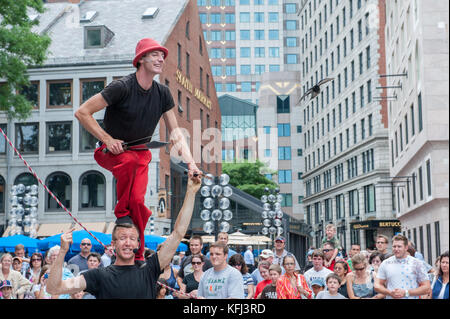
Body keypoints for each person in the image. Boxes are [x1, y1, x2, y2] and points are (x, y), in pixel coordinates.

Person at [75, 37, 202, 262]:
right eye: (155, 54)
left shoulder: (163, 93)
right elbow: (82, 112)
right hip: (109, 152)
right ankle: (122, 213)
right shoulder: (121, 87)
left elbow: (175, 133)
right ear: (141, 59)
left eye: (162, 55)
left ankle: (139, 253)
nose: (161, 58)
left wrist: (191, 163)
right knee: (130, 165)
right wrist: (107, 138)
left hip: (140, 154)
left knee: (139, 206)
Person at [46, 176, 201, 299]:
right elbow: (54, 288)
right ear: (113, 244)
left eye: (132, 238)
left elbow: (178, 233)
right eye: (122, 238)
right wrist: (62, 252)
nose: (127, 242)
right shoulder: (98, 275)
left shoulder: (149, 269)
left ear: (138, 243)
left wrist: (191, 193)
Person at [374, 235, 431, 299]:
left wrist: (406, 293)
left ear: (406, 248)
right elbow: (377, 285)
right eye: (394, 246)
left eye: (399, 246)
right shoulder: (386, 263)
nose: (396, 249)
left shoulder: (416, 263)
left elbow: (427, 288)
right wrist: (389, 293)